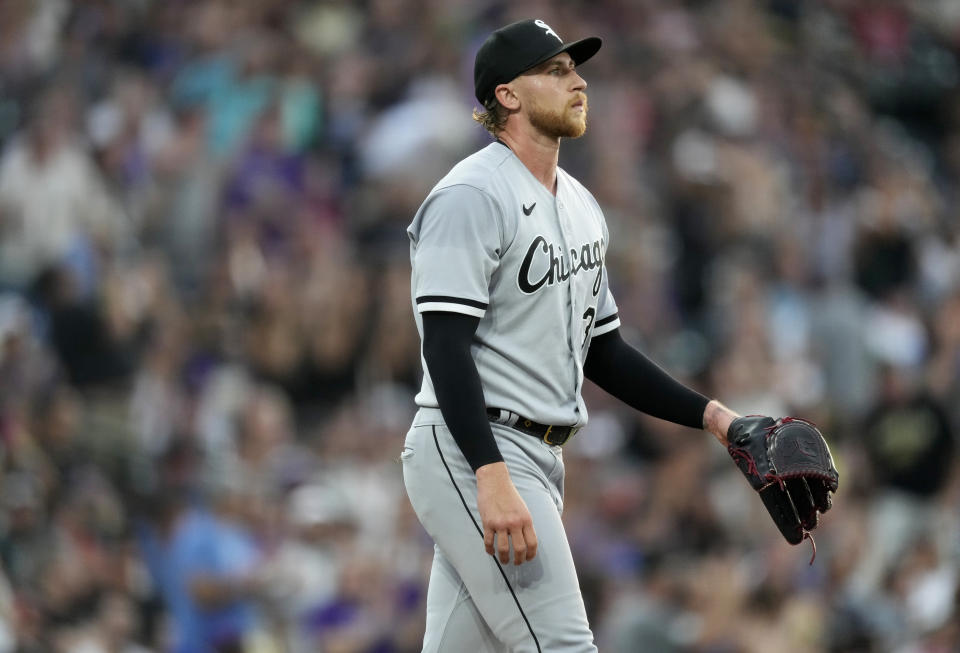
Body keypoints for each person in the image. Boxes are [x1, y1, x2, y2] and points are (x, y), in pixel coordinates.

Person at [401, 19, 741, 652]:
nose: (578, 82)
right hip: (473, 444)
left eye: (575, 70)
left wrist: (715, 417)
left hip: (534, 454)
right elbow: (444, 345)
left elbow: (603, 351)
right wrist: (490, 471)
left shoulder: (581, 204)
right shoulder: (470, 196)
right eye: (555, 72)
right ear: (507, 95)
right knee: (564, 646)